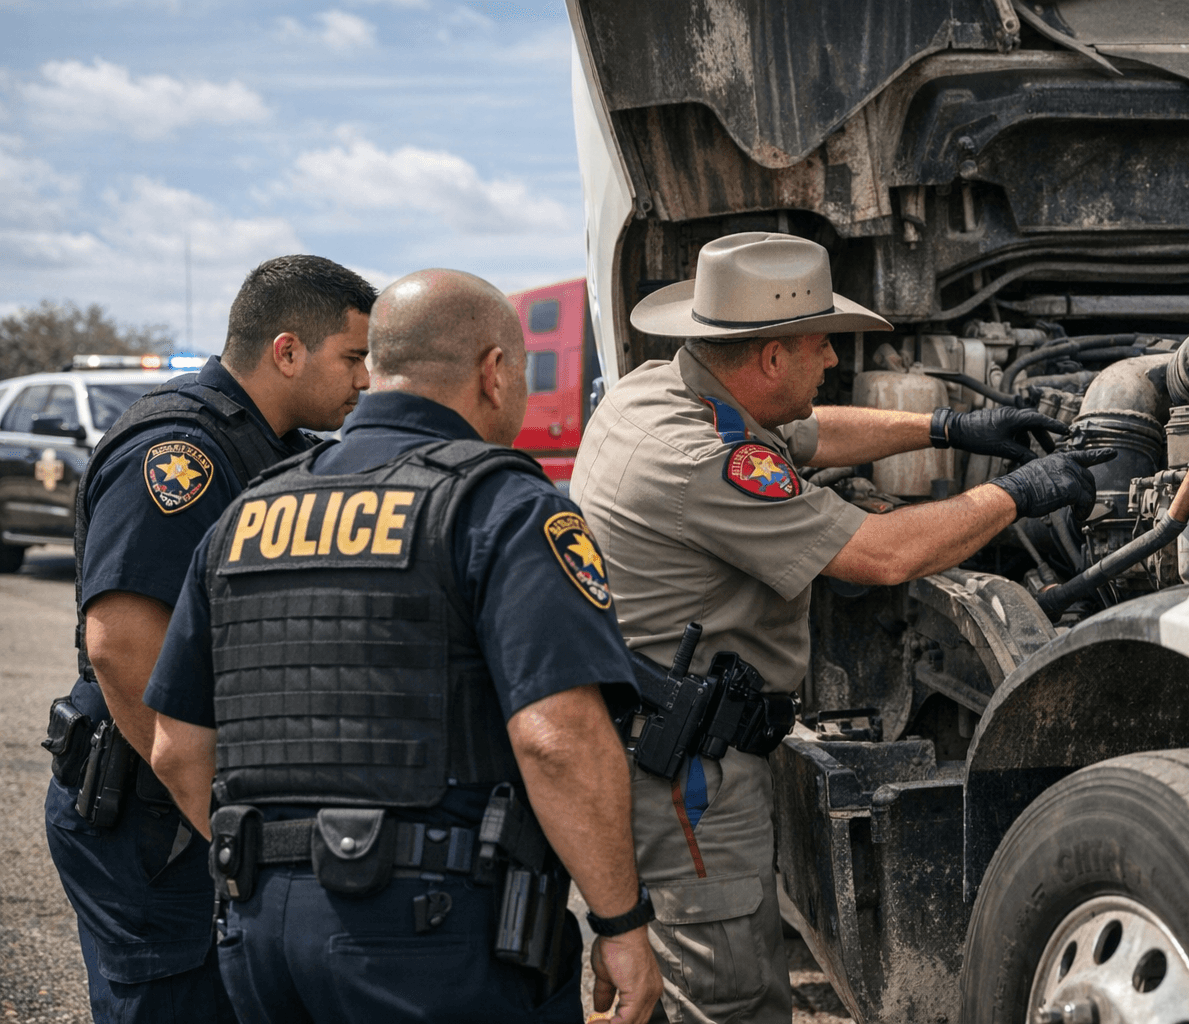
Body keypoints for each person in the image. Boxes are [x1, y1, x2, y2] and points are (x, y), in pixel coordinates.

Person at [569, 232, 1113, 1024]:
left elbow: (812, 430)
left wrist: (946, 430)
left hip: (668, 746)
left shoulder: (663, 390)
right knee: (729, 1000)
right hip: (688, 787)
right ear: (769, 359)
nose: (831, 361)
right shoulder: (700, 458)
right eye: (821, 346)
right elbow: (884, 556)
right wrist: (1020, 493)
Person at [144, 268, 664, 1024]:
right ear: (493, 372)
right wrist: (620, 922)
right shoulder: (504, 507)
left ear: (377, 369)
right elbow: (558, 740)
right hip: (433, 935)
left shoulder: (247, 513)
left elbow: (174, 746)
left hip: (260, 932)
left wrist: (274, 861)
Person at [41, 254, 375, 1023]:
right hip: (154, 816)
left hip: (198, 802)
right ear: (287, 351)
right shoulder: (182, 452)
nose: (364, 380)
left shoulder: (274, 444)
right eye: (353, 357)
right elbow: (122, 647)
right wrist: (223, 824)